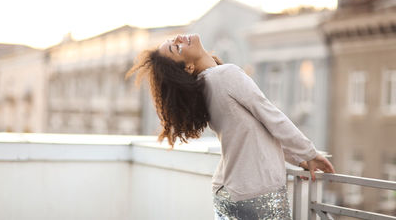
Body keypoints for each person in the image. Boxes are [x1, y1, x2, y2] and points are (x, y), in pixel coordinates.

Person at [125, 33, 335, 220]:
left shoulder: (204, 86)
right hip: (256, 193)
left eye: (173, 40)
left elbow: (258, 130)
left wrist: (300, 159)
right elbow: (271, 117)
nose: (179, 39)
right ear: (188, 67)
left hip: (228, 192)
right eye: (176, 48)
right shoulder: (225, 75)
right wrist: (309, 153)